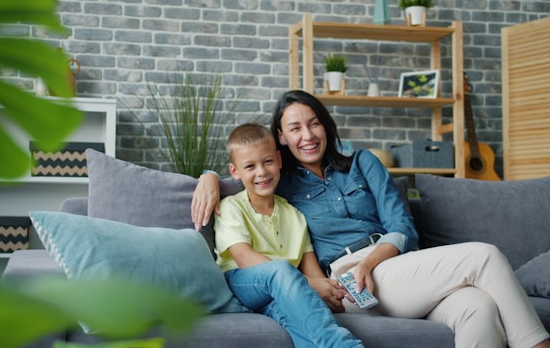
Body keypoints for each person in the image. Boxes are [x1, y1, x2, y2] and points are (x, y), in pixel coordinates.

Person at [193, 90, 550, 348]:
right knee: (483, 255)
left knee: (480, 308)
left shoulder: (363, 162)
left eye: (314, 123)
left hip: (396, 266)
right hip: (348, 281)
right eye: (295, 128)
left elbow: (402, 228)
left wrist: (372, 261)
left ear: (326, 125)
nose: (307, 135)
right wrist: (207, 176)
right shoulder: (280, 180)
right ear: (282, 140)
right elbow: (246, 169)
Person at [214, 122, 363, 348]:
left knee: (299, 324)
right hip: (243, 284)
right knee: (282, 270)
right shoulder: (231, 207)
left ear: (279, 160)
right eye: (250, 166)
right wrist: (308, 285)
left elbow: (312, 272)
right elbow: (244, 258)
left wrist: (329, 289)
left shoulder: (295, 215)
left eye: (267, 162)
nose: (261, 172)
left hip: (283, 294)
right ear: (235, 172)